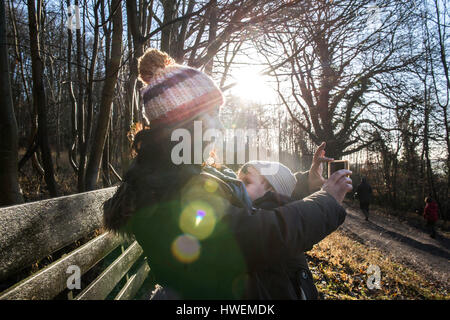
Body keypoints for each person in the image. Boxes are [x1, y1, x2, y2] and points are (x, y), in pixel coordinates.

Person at [103, 48, 353, 299]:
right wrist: (326, 201)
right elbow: (253, 238)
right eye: (212, 114)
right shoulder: (166, 188)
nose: (220, 125)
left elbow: (243, 192)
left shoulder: (178, 170)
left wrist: (305, 184)